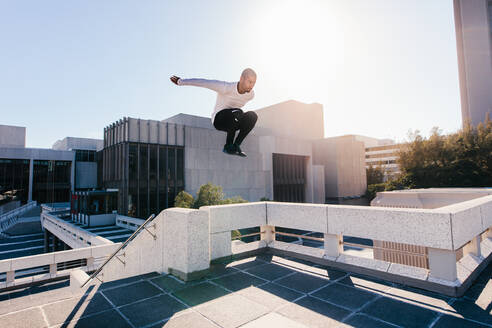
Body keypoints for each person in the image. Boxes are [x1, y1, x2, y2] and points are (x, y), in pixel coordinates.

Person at [170, 68, 258, 157]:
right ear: (241, 78)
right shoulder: (226, 87)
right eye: (249, 82)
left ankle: (236, 145)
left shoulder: (251, 95)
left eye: (253, 83)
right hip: (219, 120)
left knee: (252, 116)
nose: (251, 85)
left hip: (234, 121)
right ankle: (228, 146)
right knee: (238, 112)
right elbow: (204, 82)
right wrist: (180, 81)